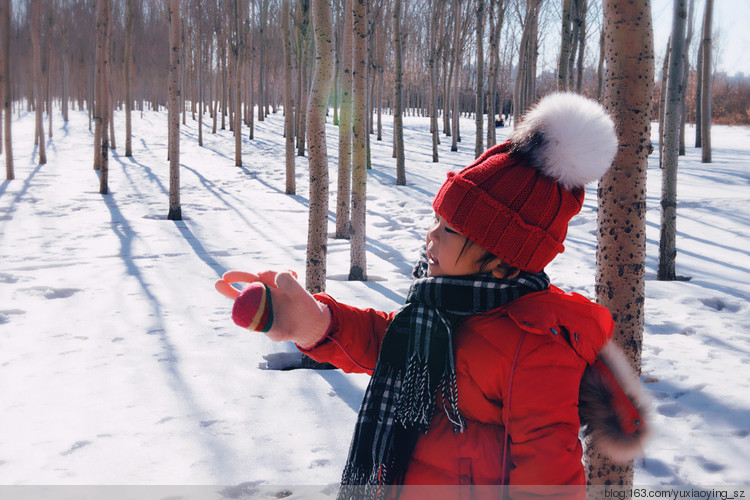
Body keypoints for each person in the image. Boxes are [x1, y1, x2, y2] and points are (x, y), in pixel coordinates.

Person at [216, 93, 649, 498]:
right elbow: (391, 345)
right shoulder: (437, 308)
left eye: (450, 231)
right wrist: (316, 324)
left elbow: (548, 475)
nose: (431, 238)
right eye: (437, 220)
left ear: (502, 263)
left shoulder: (536, 345)